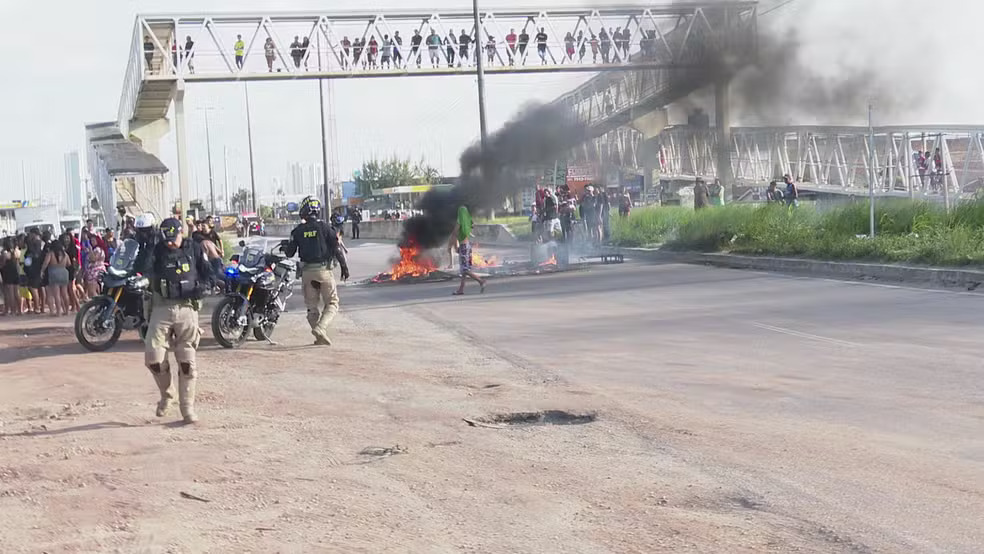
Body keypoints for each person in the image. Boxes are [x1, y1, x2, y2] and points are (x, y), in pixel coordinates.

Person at [145, 218, 211, 424]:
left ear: (182, 233)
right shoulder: (157, 250)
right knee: (153, 358)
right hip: (161, 308)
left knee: (187, 363)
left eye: (174, 239)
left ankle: (187, 409)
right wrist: (145, 243)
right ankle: (167, 394)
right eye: (167, 240)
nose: (170, 243)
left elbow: (209, 273)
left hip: (187, 308)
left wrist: (205, 286)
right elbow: (142, 268)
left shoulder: (194, 249)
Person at [283, 197, 350, 346]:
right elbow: (337, 248)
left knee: (311, 309)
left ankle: (319, 336)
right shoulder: (326, 227)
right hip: (324, 272)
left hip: (307, 274)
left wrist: (285, 246)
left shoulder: (297, 231)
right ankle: (321, 328)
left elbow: (289, 253)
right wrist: (344, 267)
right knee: (332, 303)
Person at [450, 204, 486, 296]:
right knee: (464, 271)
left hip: (463, 247)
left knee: (465, 269)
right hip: (468, 246)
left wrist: (455, 247)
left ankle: (480, 281)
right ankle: (461, 289)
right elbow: (472, 225)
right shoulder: (468, 221)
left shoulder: (459, 222)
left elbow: (454, 234)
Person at [41, 239, 71, 316]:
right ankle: (67, 311)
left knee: (56, 294)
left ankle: (58, 311)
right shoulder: (65, 254)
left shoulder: (50, 254)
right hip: (64, 272)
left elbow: (45, 263)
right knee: (65, 293)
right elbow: (69, 264)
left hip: (54, 272)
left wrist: (42, 271)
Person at [1, 237, 21, 315]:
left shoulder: (4, 253)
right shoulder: (16, 251)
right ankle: (19, 310)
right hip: (16, 272)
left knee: (10, 293)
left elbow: (2, 264)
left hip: (7, 273)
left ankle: (12, 310)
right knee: (17, 292)